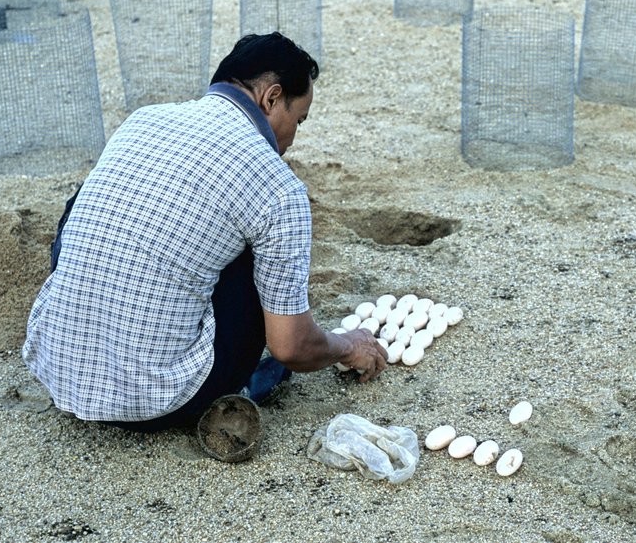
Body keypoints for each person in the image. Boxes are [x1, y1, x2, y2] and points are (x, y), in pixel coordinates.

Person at [22, 32, 387, 432]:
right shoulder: (278, 187)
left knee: (88, 206)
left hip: (57, 371)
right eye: (297, 119)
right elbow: (292, 347)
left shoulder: (143, 118)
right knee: (254, 255)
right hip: (158, 402)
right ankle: (242, 384)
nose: (291, 140)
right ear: (270, 97)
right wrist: (346, 345)